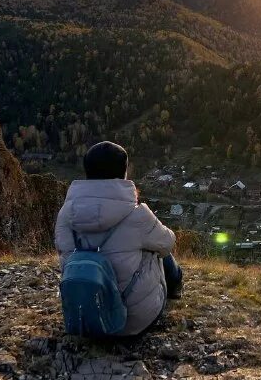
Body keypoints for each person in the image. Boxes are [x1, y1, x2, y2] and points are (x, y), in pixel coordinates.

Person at [55, 141, 183, 335]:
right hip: (132, 322)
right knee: (159, 248)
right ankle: (175, 289)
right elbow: (169, 242)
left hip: (85, 318)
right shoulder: (138, 215)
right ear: (124, 172)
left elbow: (61, 251)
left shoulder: (65, 214)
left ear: (87, 172)